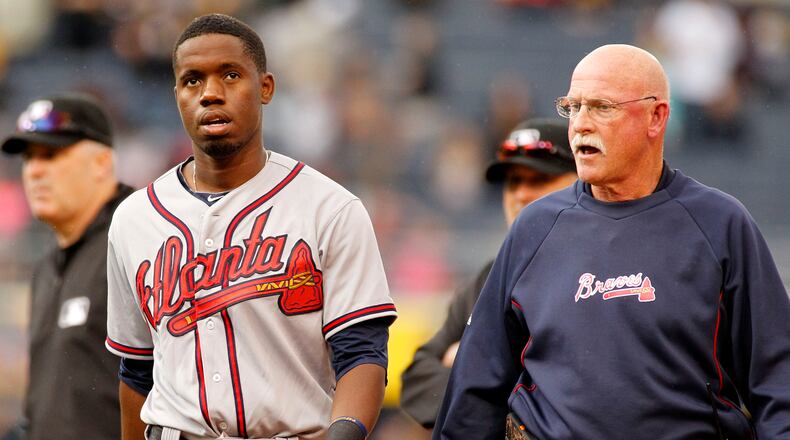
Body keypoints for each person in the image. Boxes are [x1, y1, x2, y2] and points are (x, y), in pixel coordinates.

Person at [433, 44, 790, 439]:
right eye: (573, 107)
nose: (580, 125)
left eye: (602, 107)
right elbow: (476, 387)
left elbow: (778, 381)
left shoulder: (720, 224)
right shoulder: (534, 227)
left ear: (657, 117)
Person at [105, 14, 397, 440]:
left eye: (230, 75)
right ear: (177, 95)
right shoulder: (134, 219)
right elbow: (136, 369)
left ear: (265, 87)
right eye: (192, 80)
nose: (210, 93)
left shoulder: (330, 208)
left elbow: (361, 352)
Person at [399, 119, 577, 429]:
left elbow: (582, 391)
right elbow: (416, 380)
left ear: (582, 182)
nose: (521, 194)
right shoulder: (488, 279)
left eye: (539, 179)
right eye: (513, 181)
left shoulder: (598, 275)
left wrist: (469, 366)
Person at [0, 94, 134, 440]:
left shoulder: (139, 241)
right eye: (28, 158)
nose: (34, 171)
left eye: (51, 155)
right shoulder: (46, 266)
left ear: (101, 163)